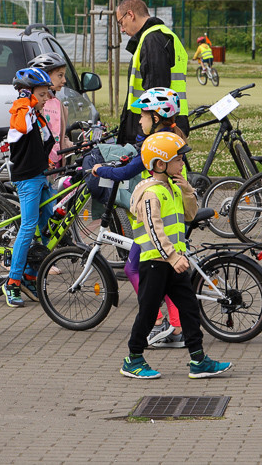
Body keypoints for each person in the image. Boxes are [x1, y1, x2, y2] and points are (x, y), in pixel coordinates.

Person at [120, 132, 233, 379]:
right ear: (160, 164)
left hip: (175, 262)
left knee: (190, 308)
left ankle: (198, 359)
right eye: (178, 159)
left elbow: (190, 215)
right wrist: (172, 257)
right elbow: (154, 230)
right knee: (148, 312)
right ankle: (133, 358)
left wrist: (188, 192)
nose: (183, 163)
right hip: (156, 263)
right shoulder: (150, 193)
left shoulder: (171, 186)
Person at [93, 87, 187, 349]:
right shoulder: (174, 136)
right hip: (176, 214)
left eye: (143, 116)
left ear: (156, 118)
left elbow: (126, 172)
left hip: (160, 220)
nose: (139, 121)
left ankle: (157, 323)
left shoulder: (155, 145)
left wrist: (100, 168)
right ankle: (177, 327)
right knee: (170, 274)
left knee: (134, 269)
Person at [1, 67, 56, 308]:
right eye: (42, 94)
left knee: (46, 226)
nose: (47, 99)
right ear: (29, 93)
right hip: (27, 178)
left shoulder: (38, 116)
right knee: (29, 225)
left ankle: (31, 277)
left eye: (47, 94)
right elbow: (22, 128)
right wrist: (25, 100)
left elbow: (43, 143)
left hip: (41, 176)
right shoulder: (20, 114)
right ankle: (12, 282)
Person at [116, 0, 189, 144]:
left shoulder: (152, 40)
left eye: (121, 23)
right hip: (167, 120)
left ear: (130, 15)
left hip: (155, 126)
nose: (122, 29)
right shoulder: (162, 35)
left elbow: (155, 92)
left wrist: (147, 132)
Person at [27, 52, 71, 168]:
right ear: (45, 75)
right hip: (39, 166)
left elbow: (60, 137)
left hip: (55, 165)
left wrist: (77, 146)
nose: (64, 80)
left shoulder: (58, 103)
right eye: (60, 75)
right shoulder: (35, 104)